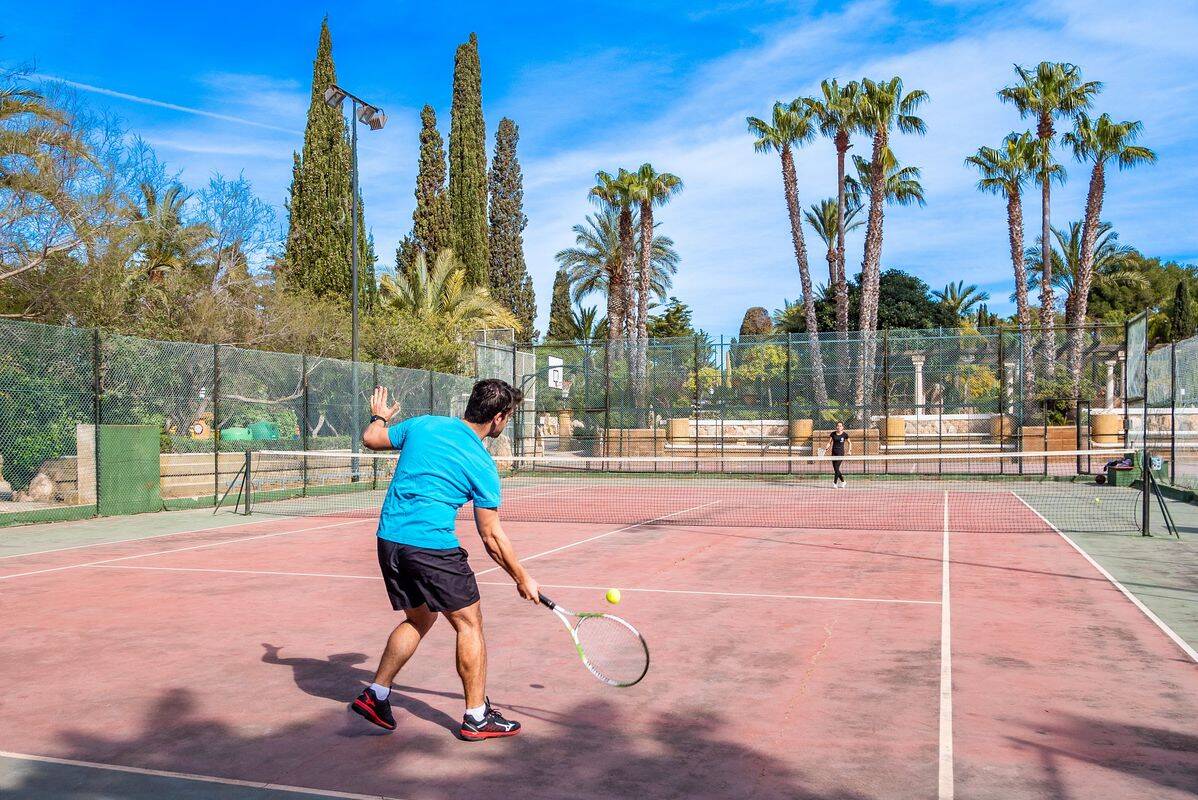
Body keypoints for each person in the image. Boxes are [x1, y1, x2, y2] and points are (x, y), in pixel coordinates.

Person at [349, 379, 540, 741]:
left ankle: (376, 694)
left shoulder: (423, 424)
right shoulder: (482, 464)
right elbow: (492, 537)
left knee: (420, 617)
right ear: (497, 418)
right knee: (469, 624)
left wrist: (378, 416)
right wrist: (521, 576)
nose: (506, 422)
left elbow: (372, 439)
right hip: (431, 546)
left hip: (390, 540)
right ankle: (477, 716)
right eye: (508, 417)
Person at [827, 421, 851, 487]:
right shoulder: (833, 434)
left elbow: (849, 443)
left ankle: (834, 483)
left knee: (837, 468)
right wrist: (827, 446)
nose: (839, 427)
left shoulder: (845, 435)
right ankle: (843, 481)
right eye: (838, 426)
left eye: (840, 426)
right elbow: (829, 442)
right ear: (836, 427)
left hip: (840, 453)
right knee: (836, 469)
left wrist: (849, 450)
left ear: (843, 427)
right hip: (833, 453)